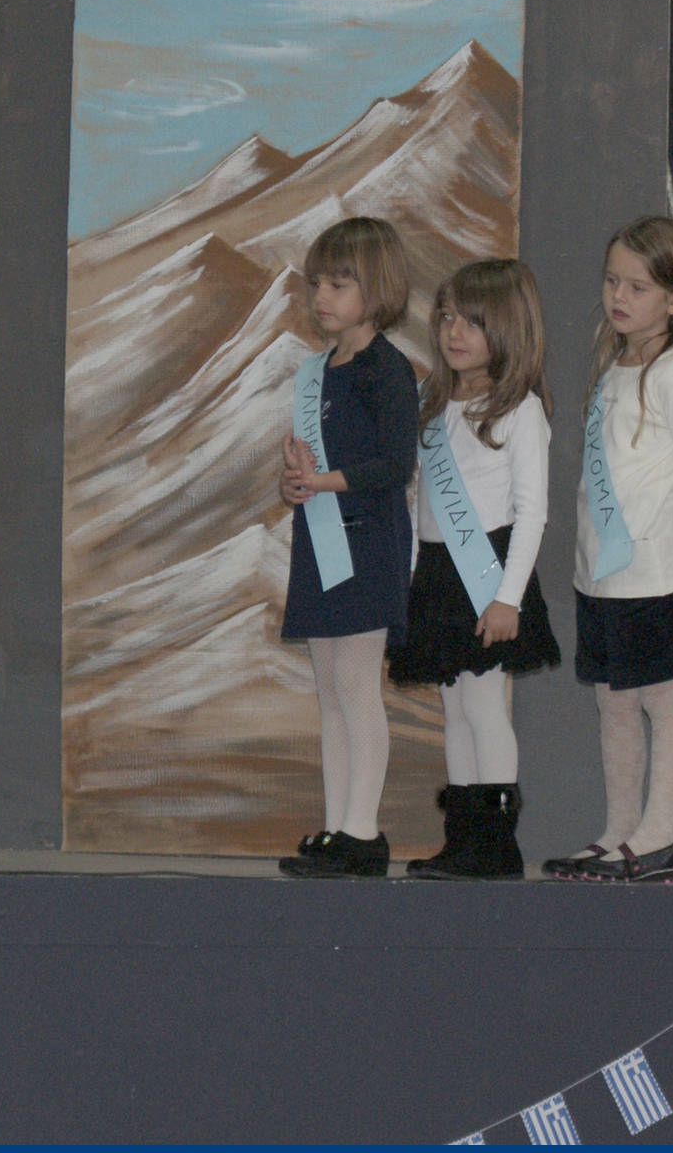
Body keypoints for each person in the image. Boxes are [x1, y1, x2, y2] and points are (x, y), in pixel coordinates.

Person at [546, 215, 673, 885]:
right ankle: (620, 831)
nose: (619, 296)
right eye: (612, 281)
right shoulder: (615, 367)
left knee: (661, 696)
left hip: (652, 571)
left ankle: (661, 835)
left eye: (638, 287)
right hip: (602, 573)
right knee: (614, 702)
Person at [386, 260, 563, 880]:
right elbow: (419, 502)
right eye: (447, 317)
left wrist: (507, 598)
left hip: (488, 572)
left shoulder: (520, 410)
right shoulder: (432, 403)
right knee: (455, 710)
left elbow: (532, 513)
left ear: (509, 328)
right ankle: (462, 841)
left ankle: (496, 844)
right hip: (438, 574)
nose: (454, 332)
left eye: (473, 322)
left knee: (485, 707)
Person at [277, 217, 420, 879]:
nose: (322, 297)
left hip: (367, 549)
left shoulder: (388, 370)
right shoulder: (317, 372)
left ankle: (363, 832)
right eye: (317, 285)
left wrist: (323, 481)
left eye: (338, 285)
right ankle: (337, 827)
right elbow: (316, 465)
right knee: (330, 693)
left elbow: (394, 463)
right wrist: (295, 484)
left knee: (359, 689)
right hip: (320, 544)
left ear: (377, 287)